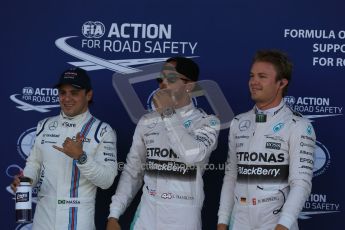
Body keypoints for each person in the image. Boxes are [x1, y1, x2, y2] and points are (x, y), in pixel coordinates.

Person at [107, 57, 220, 230]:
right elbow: (133, 170)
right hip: (147, 216)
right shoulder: (146, 121)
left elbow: (191, 155)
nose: (163, 84)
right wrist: (114, 213)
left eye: (171, 79)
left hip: (183, 218)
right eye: (160, 79)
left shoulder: (207, 122)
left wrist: (168, 114)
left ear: (189, 85)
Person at [217, 50, 316, 230]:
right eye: (252, 76)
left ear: (281, 83)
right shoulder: (239, 122)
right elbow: (231, 177)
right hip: (239, 219)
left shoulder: (298, 125)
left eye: (262, 76)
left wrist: (283, 224)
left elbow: (301, 184)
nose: (253, 82)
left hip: (275, 220)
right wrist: (222, 221)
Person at [11, 67, 118, 230]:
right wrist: (25, 182)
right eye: (62, 92)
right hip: (42, 219)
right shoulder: (44, 125)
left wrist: (81, 157)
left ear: (88, 95)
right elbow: (34, 163)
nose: (67, 98)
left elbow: (107, 181)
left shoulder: (102, 131)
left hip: (78, 221)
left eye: (74, 92)